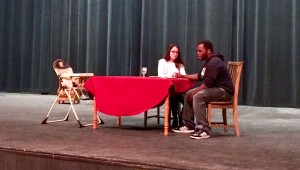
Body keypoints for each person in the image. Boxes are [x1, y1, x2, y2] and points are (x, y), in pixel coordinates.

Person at [173, 40, 234, 139]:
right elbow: (199, 76)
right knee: (189, 93)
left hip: (224, 92)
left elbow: (207, 84)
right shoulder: (209, 61)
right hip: (216, 89)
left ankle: (204, 129)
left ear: (208, 51)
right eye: (197, 51)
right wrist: (183, 75)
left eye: (200, 51)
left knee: (198, 96)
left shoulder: (214, 62)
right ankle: (189, 124)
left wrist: (195, 92)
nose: (198, 53)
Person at [158, 44, 186, 126]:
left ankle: (181, 117)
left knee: (188, 99)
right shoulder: (162, 62)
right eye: (173, 52)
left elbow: (184, 76)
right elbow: (161, 76)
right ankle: (174, 118)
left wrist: (179, 75)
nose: (175, 54)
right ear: (169, 52)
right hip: (166, 90)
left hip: (179, 89)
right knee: (172, 95)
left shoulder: (180, 64)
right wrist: (172, 75)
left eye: (177, 52)